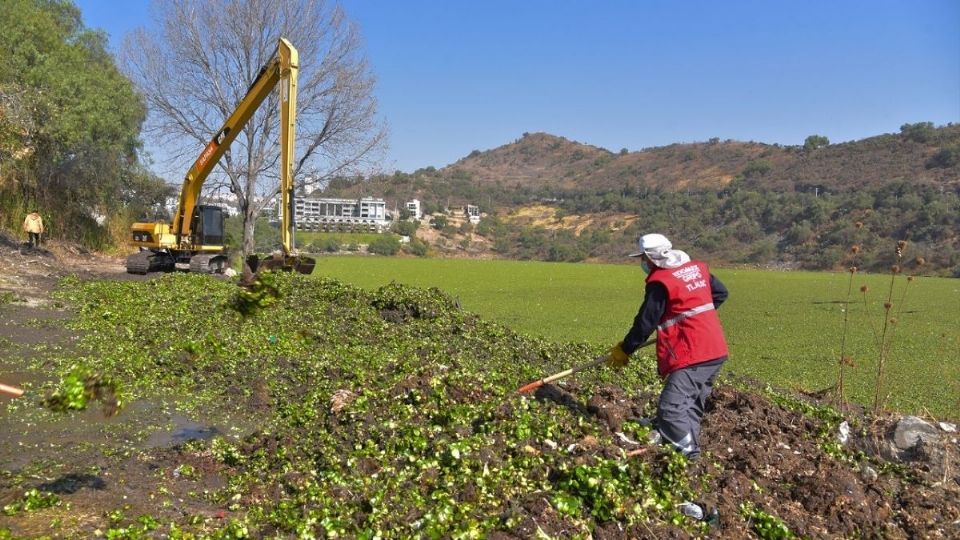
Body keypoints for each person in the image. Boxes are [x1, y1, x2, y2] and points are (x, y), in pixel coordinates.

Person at [606, 233, 729, 460]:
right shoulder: (696, 269)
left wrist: (626, 349)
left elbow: (645, 323)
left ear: (652, 258)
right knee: (690, 405)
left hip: (694, 353)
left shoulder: (661, 282)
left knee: (670, 409)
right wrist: (694, 316)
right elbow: (721, 294)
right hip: (715, 350)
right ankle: (684, 448)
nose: (643, 263)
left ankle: (690, 457)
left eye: (644, 258)